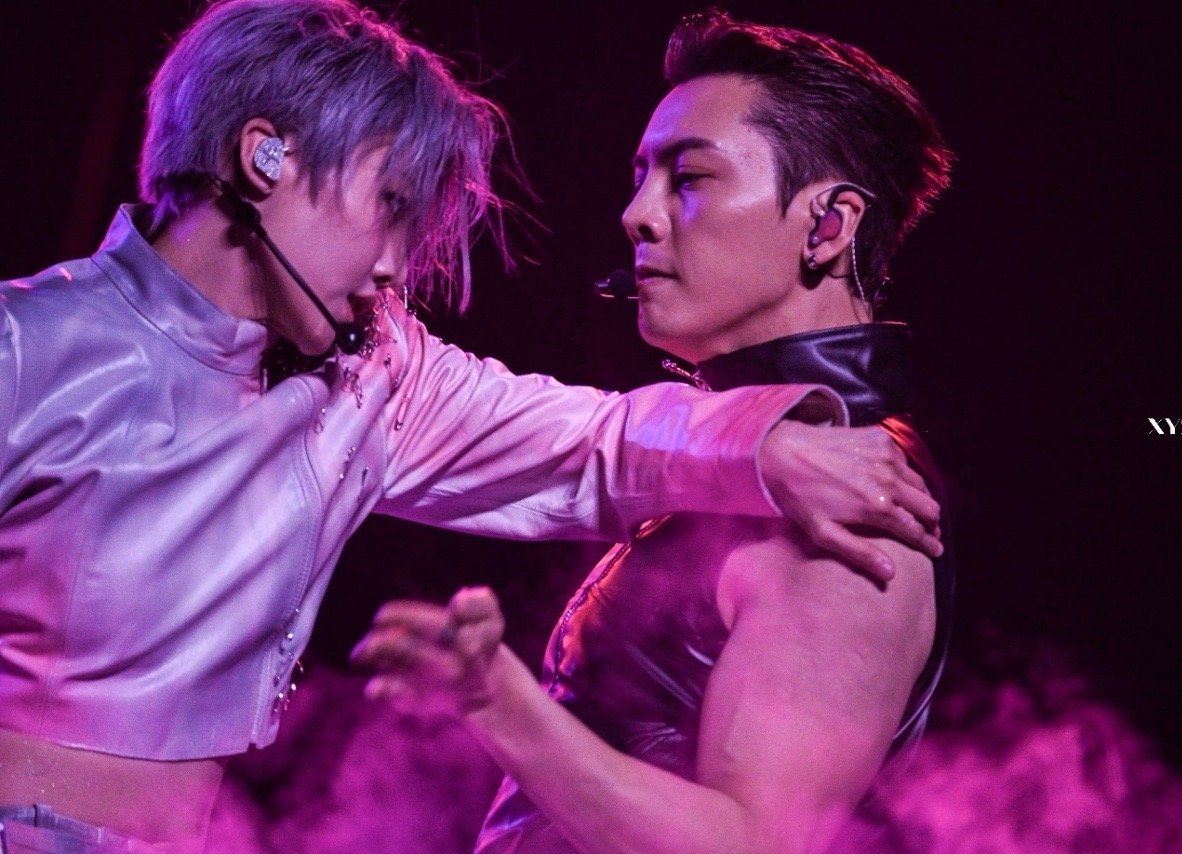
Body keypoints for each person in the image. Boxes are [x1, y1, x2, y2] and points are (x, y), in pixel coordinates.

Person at [0, 2, 943, 851]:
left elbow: (592, 443)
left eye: (689, 177)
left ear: (829, 226)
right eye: (390, 205)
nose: (395, 267)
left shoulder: (374, 373)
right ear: (265, 158)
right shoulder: (23, 347)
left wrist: (768, 442)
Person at [353, 10, 955, 853]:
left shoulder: (854, 505)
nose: (637, 214)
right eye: (641, 178)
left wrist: (498, 702)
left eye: (690, 178)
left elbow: (752, 847)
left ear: (828, 226)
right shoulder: (763, 464)